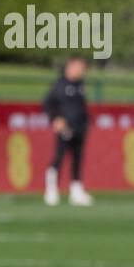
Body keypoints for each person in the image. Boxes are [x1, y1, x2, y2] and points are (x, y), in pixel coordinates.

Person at [43, 54, 93, 206]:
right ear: (70, 66)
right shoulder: (60, 84)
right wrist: (56, 119)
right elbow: (48, 103)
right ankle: (51, 190)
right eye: (79, 67)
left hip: (80, 128)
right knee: (59, 157)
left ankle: (76, 191)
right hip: (65, 128)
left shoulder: (80, 85)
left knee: (77, 159)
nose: (81, 71)